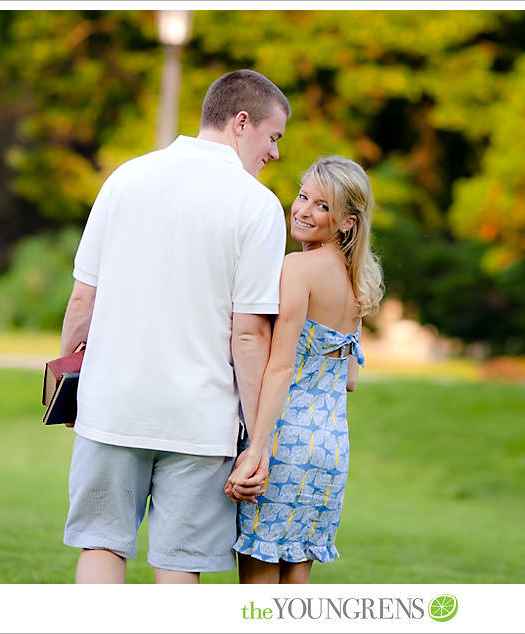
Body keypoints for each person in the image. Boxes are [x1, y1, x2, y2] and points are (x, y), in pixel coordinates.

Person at [59, 69, 290, 583]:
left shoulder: (125, 177)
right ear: (242, 121)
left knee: (101, 545)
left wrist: (72, 389)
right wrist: (257, 440)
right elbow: (249, 334)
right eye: (273, 137)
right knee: (181, 566)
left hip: (113, 402)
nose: (274, 153)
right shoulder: (257, 206)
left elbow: (82, 300)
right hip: (200, 419)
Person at [225, 155, 384, 584]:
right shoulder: (359, 281)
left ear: (347, 221)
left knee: (258, 594)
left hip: (285, 442)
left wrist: (255, 452)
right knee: (296, 589)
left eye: (321, 206)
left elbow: (280, 367)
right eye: (302, 196)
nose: (302, 210)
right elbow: (349, 379)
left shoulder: (297, 269)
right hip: (329, 448)